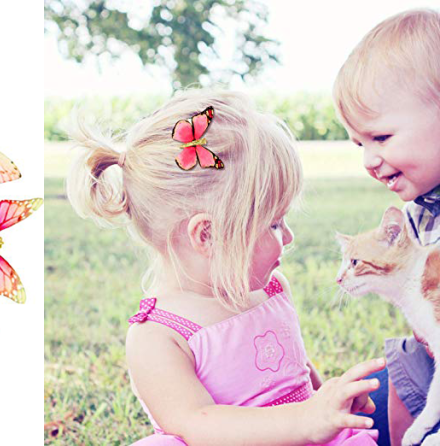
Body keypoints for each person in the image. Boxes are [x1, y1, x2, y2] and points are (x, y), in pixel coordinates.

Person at [67, 89, 381, 445]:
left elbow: (300, 374)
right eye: (274, 224)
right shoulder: (158, 336)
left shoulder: (271, 290)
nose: (289, 236)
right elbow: (199, 425)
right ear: (208, 235)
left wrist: (331, 404)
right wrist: (304, 419)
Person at [333, 8, 440, 446]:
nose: (368, 161)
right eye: (359, 144)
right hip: (430, 359)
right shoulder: (419, 209)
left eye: (381, 138)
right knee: (397, 367)